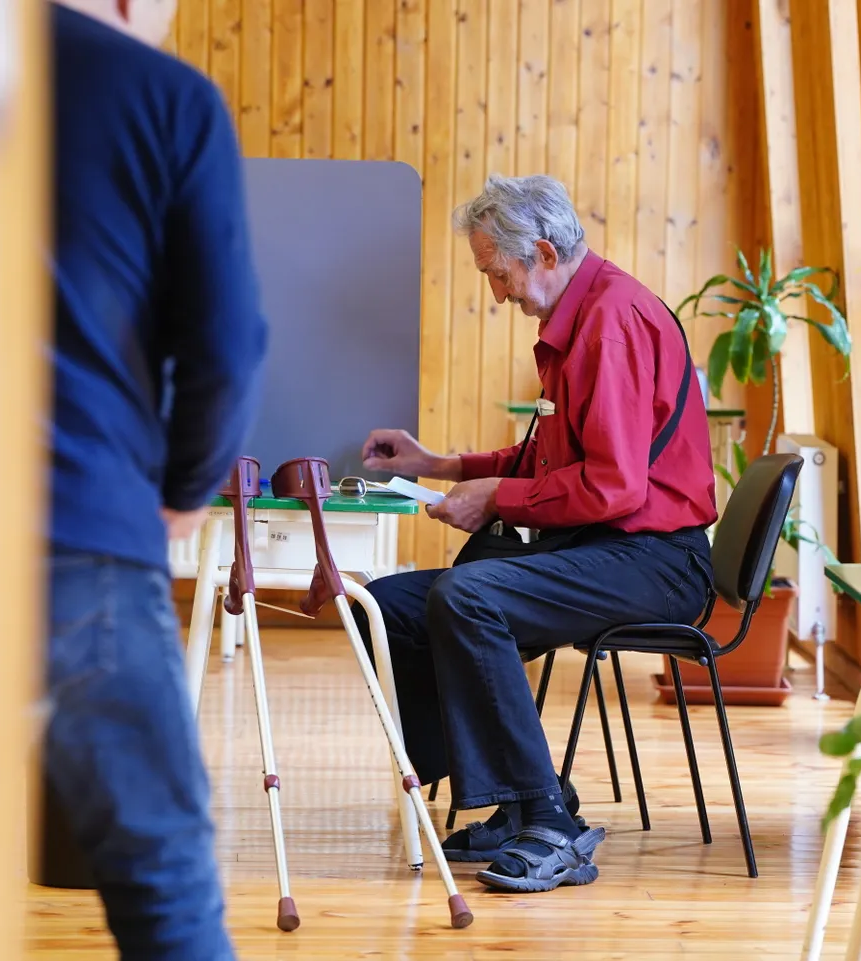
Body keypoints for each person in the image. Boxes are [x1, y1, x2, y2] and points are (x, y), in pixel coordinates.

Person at [355, 173, 716, 893]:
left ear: (543, 254)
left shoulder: (611, 323)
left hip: (655, 559)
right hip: (607, 546)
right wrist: (445, 464)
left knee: (467, 596)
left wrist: (497, 499)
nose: (498, 293)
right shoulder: (582, 317)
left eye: (498, 273)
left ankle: (550, 821)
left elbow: (614, 487)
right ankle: (517, 798)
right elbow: (551, 458)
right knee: (385, 605)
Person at [46, 1, 267, 958]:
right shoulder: (163, 96)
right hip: (76, 526)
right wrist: (182, 491)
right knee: (163, 878)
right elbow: (227, 347)